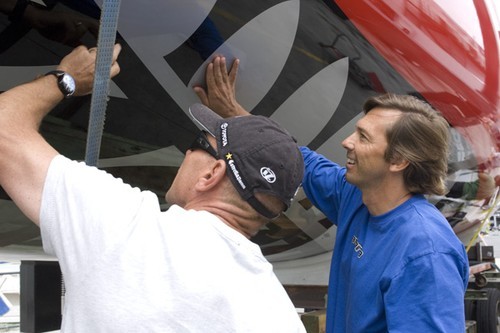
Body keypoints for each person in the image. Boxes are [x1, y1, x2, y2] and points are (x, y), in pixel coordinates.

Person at [0, 46, 307, 332]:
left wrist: (65, 80)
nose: (187, 154)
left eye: (198, 144)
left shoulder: (128, 227)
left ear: (211, 174)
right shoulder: (279, 316)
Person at [194, 56, 470, 332]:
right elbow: (296, 160)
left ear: (398, 161)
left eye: (363, 137)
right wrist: (234, 115)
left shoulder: (425, 253)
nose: (346, 141)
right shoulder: (357, 197)